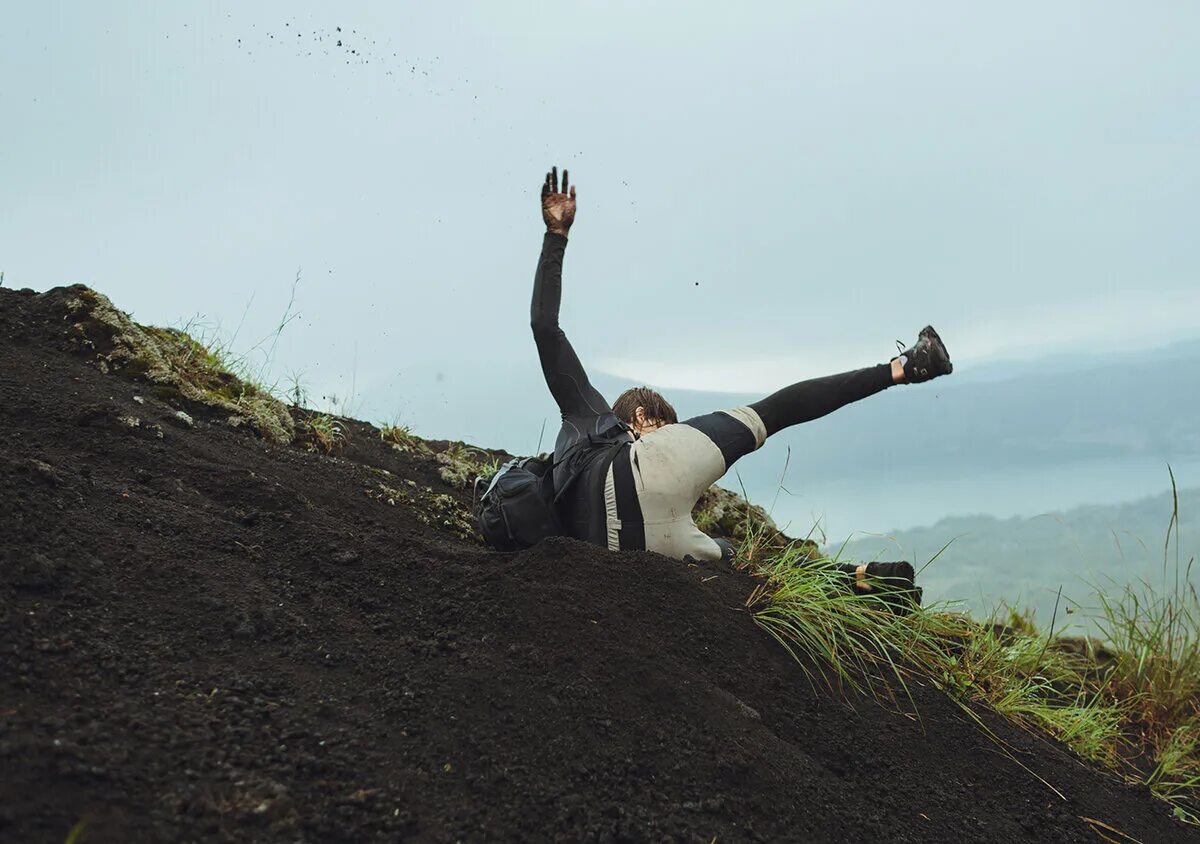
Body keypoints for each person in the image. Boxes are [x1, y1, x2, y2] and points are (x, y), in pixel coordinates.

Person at [531, 166, 951, 592]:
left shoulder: (571, 450)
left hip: (626, 546)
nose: (674, 431)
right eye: (666, 426)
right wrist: (559, 235)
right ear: (639, 418)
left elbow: (544, 328)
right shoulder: (606, 423)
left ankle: (863, 582)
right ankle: (904, 367)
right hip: (639, 481)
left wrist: (555, 235)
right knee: (771, 413)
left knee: (734, 562)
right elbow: (546, 328)